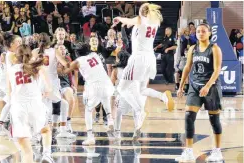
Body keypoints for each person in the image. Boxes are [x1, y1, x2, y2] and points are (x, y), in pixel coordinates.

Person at [112, 3, 175, 140]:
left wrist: (119, 18)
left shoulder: (140, 20)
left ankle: (139, 110)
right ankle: (163, 97)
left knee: (121, 89)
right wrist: (129, 24)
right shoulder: (155, 22)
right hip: (150, 59)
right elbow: (136, 25)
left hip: (138, 58)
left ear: (141, 12)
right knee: (142, 89)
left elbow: (131, 20)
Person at [175, 23, 223, 162]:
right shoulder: (192, 49)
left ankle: (217, 151)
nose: (200, 33)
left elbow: (217, 70)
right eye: (198, 31)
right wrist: (181, 86)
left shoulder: (214, 48)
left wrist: (208, 86)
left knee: (214, 119)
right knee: (189, 116)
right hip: (195, 87)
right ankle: (189, 151)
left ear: (209, 33)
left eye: (203, 31)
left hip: (211, 87)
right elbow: (187, 67)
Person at [59, 36, 115, 145]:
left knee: (88, 110)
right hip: (107, 83)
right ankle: (110, 120)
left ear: (77, 53)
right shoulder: (94, 55)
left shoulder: (78, 61)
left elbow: (65, 70)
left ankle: (90, 137)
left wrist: (60, 62)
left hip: (94, 86)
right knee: (105, 98)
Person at [7, 44, 53, 163]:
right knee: (46, 130)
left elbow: (9, 94)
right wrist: (42, 94)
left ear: (16, 56)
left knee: (27, 153)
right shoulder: (37, 68)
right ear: (30, 54)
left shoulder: (10, 70)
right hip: (35, 105)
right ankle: (47, 155)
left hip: (18, 108)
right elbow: (49, 89)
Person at [32, 33, 75, 140]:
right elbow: (65, 64)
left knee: (44, 107)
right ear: (49, 41)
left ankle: (38, 133)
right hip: (51, 83)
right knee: (63, 104)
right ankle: (61, 129)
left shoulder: (35, 52)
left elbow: (30, 66)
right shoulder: (54, 51)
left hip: (39, 83)